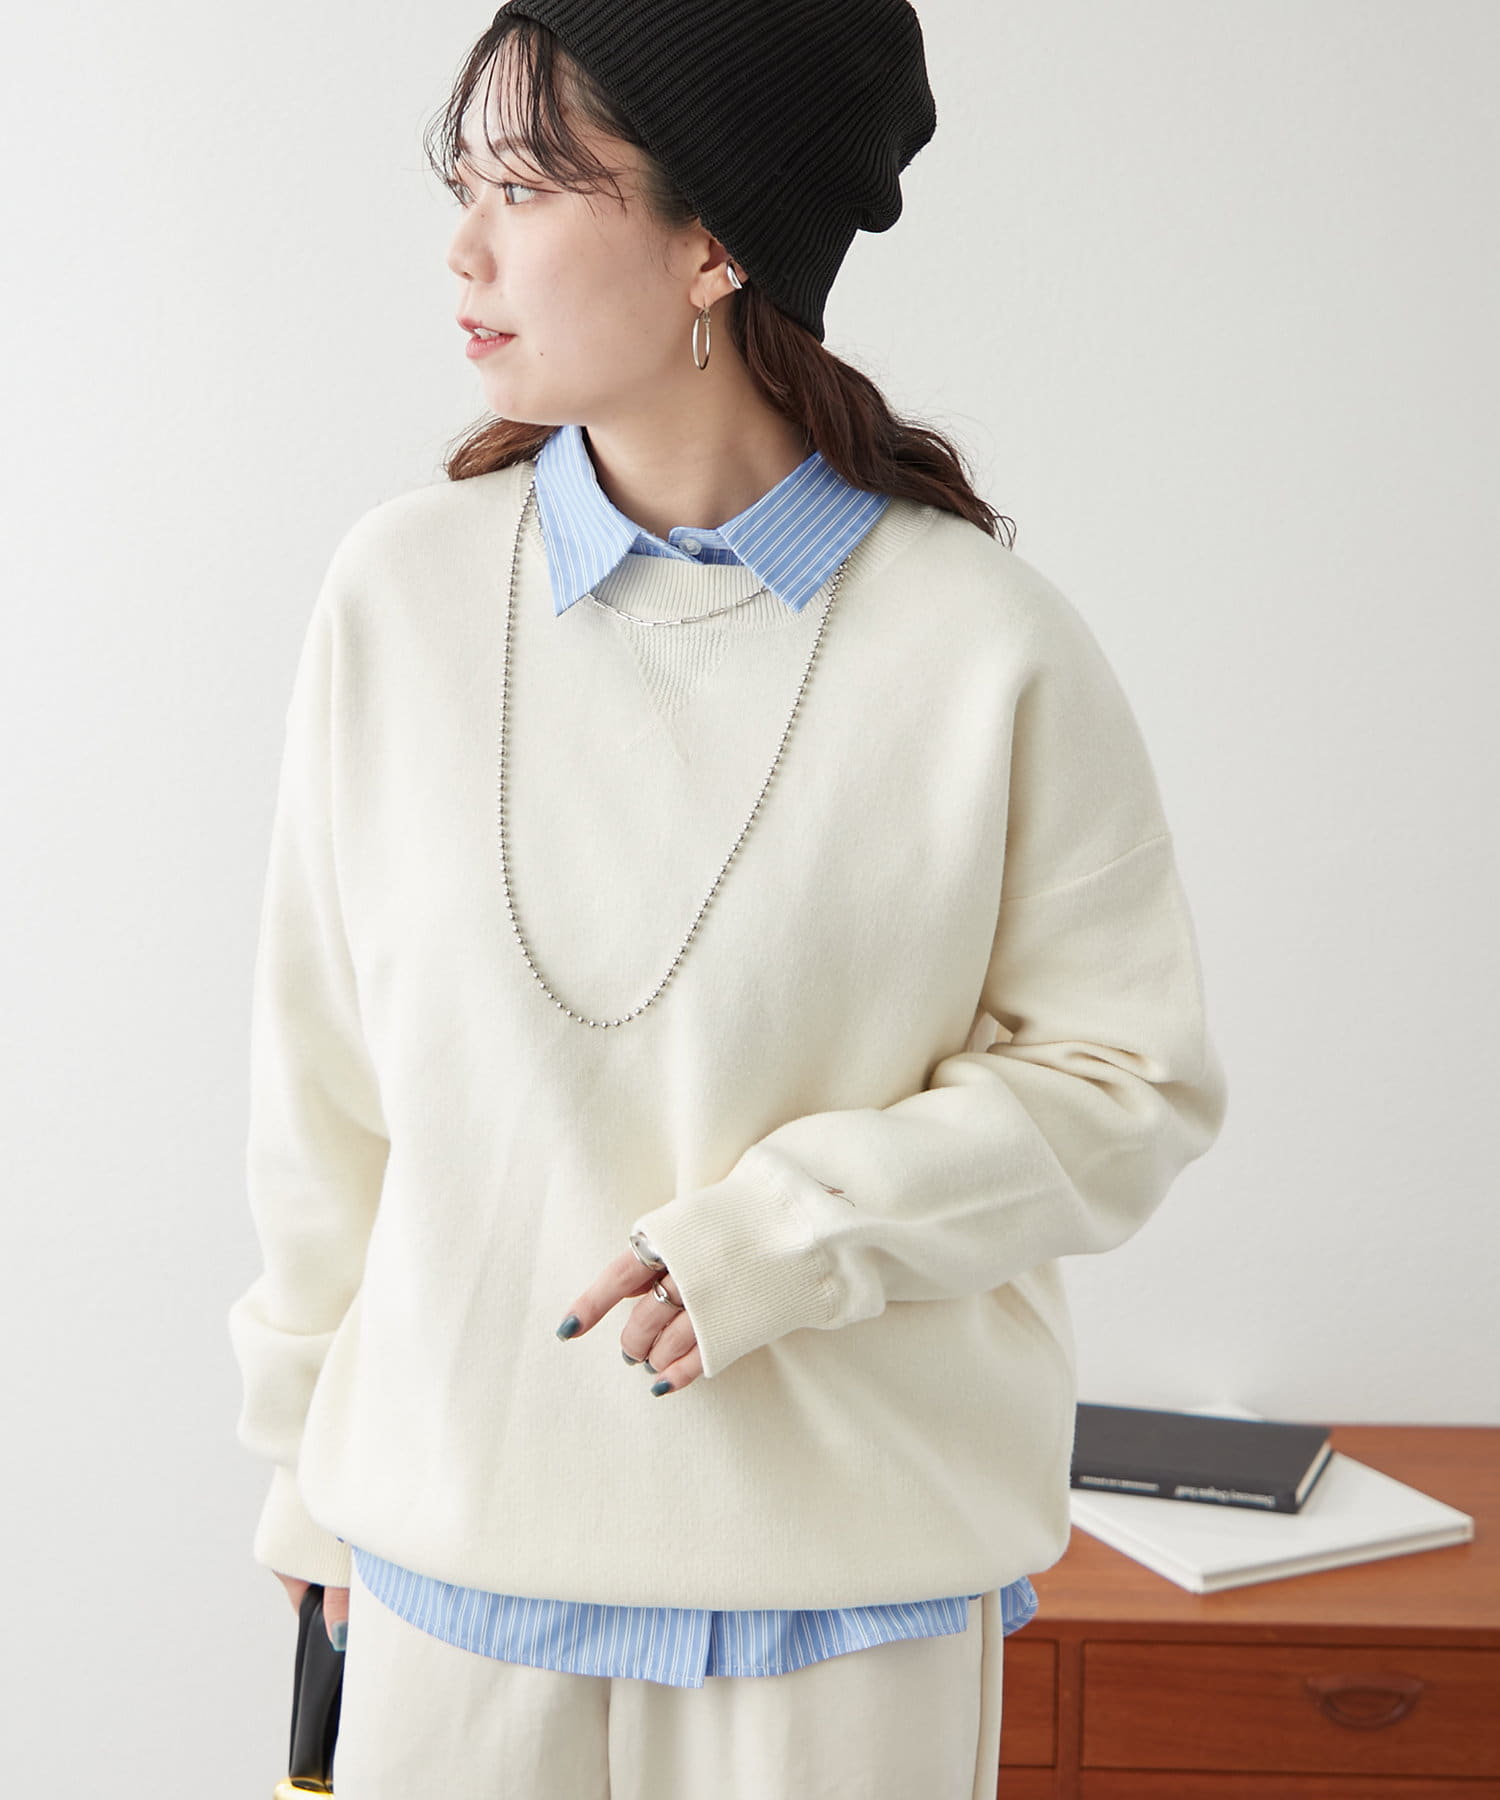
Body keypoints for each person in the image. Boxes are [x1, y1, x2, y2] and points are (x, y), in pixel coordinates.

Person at [227, 3, 1229, 1795]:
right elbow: (325, 1089)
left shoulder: (984, 649)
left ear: (716, 244)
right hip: (448, 1586)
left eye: (531, 187)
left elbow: (1128, 1087)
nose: (465, 250)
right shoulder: (400, 597)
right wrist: (307, 1463)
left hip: (845, 1606)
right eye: (464, 187)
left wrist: (794, 1235)